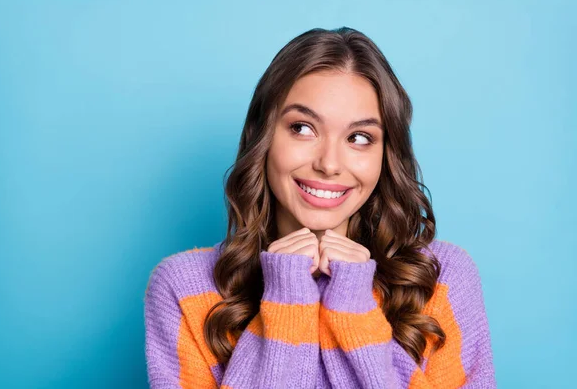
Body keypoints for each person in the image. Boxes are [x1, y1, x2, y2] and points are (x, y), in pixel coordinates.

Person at [144, 27, 496, 388]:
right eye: (302, 128)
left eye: (359, 138)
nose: (329, 164)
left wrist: (354, 311)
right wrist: (286, 304)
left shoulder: (442, 278)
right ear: (262, 137)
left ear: (384, 156)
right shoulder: (184, 288)